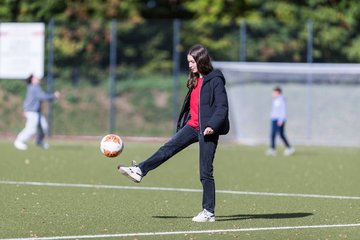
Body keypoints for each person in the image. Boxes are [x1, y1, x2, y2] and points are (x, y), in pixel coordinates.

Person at [118, 44, 230, 222]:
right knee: (167, 148)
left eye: (192, 62)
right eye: (188, 62)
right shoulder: (194, 79)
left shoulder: (215, 79)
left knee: (205, 172)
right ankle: (139, 170)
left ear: (201, 60)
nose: (190, 65)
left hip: (208, 130)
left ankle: (208, 212)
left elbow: (222, 107)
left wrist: (213, 125)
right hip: (192, 126)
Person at [14, 74, 60, 150]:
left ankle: (39, 141)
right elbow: (42, 96)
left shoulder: (35, 87)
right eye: (36, 78)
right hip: (31, 111)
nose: (38, 79)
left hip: (37, 112)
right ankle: (19, 141)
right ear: (32, 80)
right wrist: (54, 96)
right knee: (31, 128)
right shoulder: (34, 87)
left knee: (44, 126)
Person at [266, 86, 295, 156]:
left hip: (279, 120)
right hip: (274, 119)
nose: (273, 94)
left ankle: (289, 148)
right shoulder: (275, 100)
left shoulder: (282, 100)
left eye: (274, 92)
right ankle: (272, 149)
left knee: (281, 134)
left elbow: (283, 111)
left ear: (278, 92)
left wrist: (281, 120)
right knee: (272, 134)